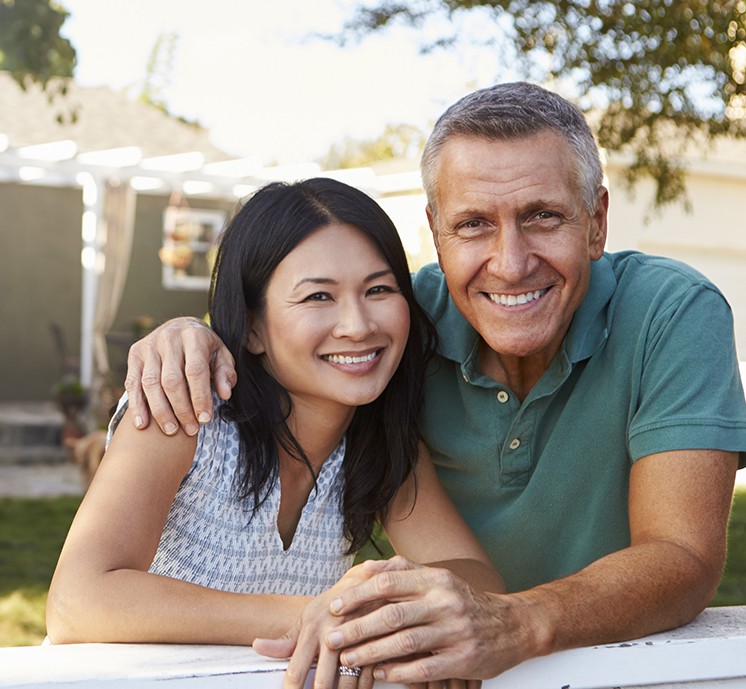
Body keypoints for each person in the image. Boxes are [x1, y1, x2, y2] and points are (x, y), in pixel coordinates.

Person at [123, 81, 746, 686]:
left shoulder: (672, 313)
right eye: (474, 223)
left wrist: (516, 622)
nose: (510, 262)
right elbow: (288, 330)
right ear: (436, 232)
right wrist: (193, 334)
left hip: (611, 669)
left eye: (543, 216)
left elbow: (683, 557)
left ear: (597, 221)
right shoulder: (400, 325)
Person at [46, 178, 502, 688]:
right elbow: (78, 601)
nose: (356, 325)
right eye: (317, 297)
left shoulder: (379, 444)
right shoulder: (184, 410)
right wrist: (322, 615)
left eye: (378, 290)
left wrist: (379, 606)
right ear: (253, 326)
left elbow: (480, 583)